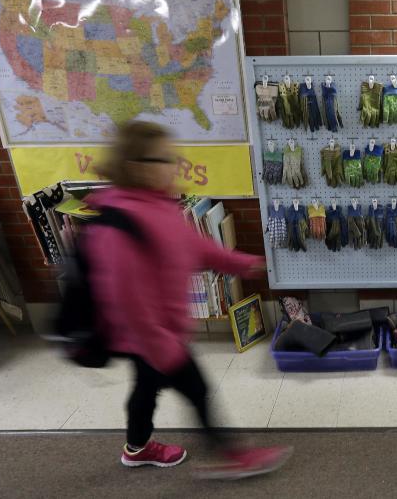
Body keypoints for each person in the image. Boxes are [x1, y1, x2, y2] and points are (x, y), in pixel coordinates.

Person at [84, 121, 291, 479]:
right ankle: (231, 456)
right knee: (198, 390)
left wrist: (243, 263)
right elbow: (124, 299)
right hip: (152, 337)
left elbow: (194, 246)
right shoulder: (121, 221)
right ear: (138, 166)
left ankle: (136, 448)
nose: (175, 165)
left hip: (158, 335)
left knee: (146, 388)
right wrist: (163, 347)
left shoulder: (158, 205)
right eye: (166, 159)